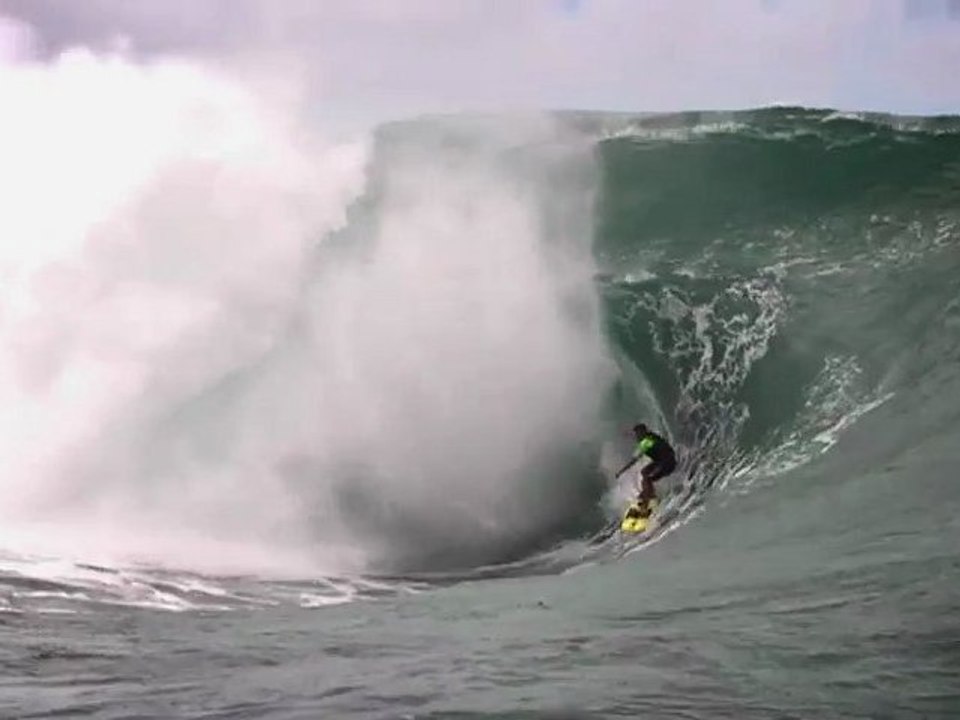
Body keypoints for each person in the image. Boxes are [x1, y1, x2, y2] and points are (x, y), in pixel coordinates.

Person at [615, 423, 677, 507]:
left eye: (638, 434)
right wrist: (627, 434)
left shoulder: (646, 443)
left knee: (647, 479)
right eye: (636, 434)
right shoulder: (650, 435)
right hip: (664, 460)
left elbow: (634, 461)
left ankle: (650, 500)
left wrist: (620, 472)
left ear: (643, 432)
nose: (637, 436)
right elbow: (637, 436)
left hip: (667, 463)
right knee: (644, 472)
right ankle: (648, 494)